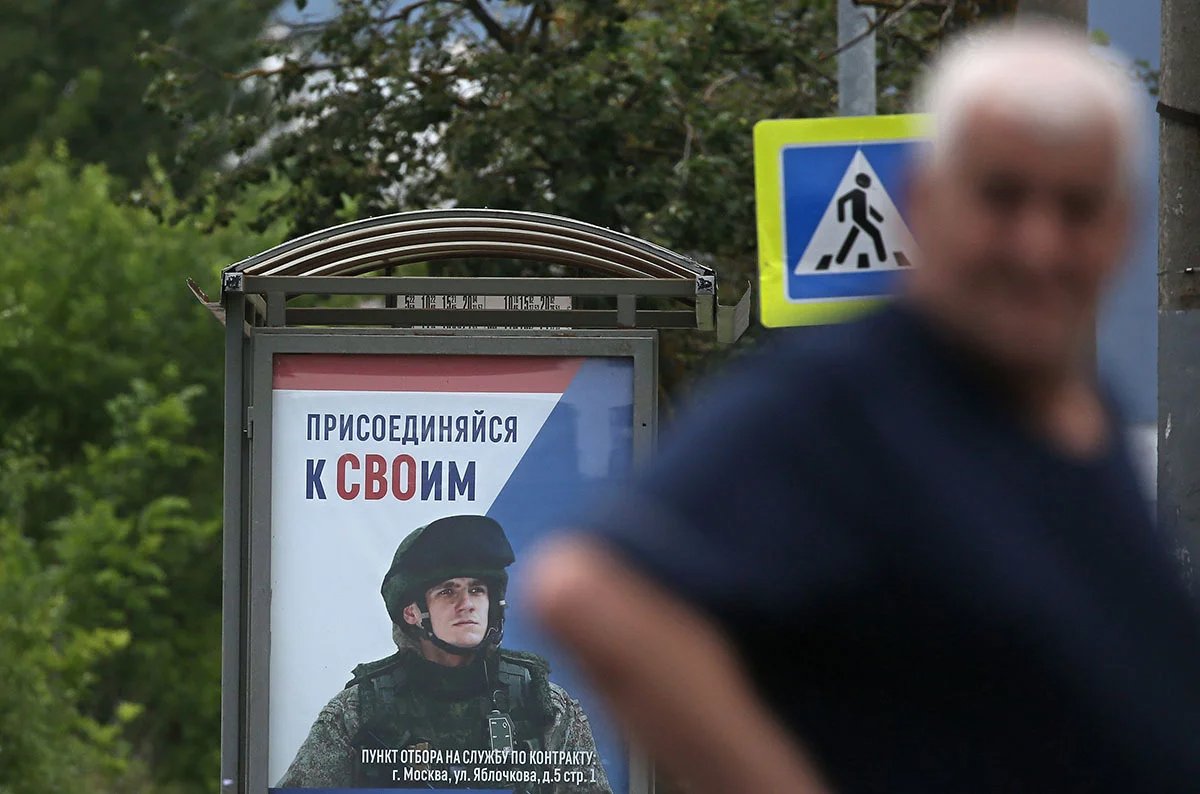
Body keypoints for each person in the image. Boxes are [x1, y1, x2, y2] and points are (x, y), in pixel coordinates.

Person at [523, 22, 1200, 794]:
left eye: (1077, 208)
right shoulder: (853, 397)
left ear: (1119, 230)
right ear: (923, 200)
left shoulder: (1076, 408)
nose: (1038, 246)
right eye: (1001, 196)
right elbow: (595, 594)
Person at [277, 514, 612, 792]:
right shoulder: (360, 711)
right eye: (447, 591)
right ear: (412, 612)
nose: (466, 604)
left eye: (477, 590)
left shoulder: (542, 703)